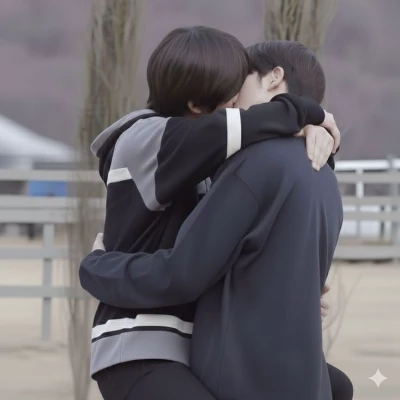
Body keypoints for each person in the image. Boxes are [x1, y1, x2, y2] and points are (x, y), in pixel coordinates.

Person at [81, 28, 345, 400]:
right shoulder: (152, 138)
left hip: (187, 342)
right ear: (196, 103)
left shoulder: (213, 154)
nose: (235, 100)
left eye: (239, 84)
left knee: (337, 387)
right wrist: (311, 114)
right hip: (139, 341)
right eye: (228, 92)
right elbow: (250, 129)